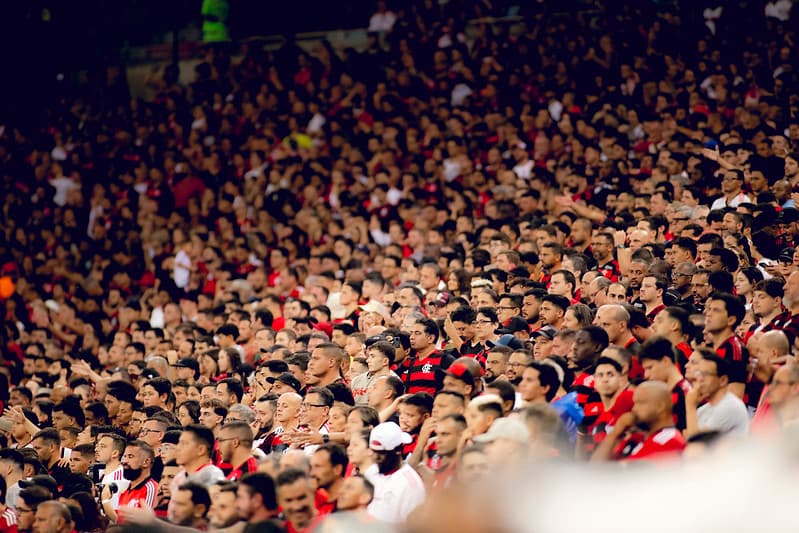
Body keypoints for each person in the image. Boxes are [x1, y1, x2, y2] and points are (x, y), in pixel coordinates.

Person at [592, 381, 685, 462]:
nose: (634, 409)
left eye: (640, 402)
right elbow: (596, 469)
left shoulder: (669, 440)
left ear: (660, 406)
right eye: (634, 403)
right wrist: (614, 434)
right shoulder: (636, 438)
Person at [364, 422, 425, 523]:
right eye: (373, 451)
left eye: (381, 453)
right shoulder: (371, 471)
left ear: (398, 450)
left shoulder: (411, 485)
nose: (376, 457)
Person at [686, 355, 750, 438]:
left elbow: (698, 444)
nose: (700, 379)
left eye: (706, 374)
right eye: (699, 374)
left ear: (722, 380)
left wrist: (690, 406)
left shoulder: (730, 406)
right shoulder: (702, 410)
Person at [275, 468, 321, 533]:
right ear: (279, 502)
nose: (296, 507)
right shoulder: (277, 531)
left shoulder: (333, 527)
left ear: (313, 494)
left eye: (301, 498)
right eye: (289, 500)